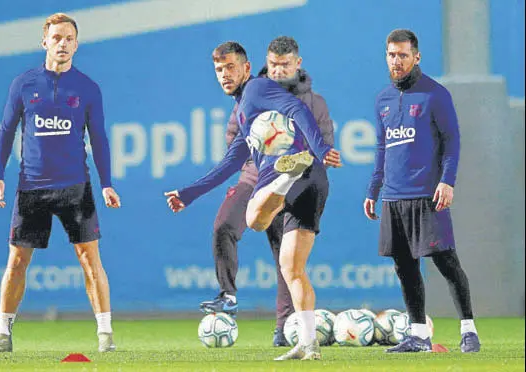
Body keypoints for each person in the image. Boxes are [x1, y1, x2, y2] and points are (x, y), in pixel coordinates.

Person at [165, 41, 341, 361]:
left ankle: (285, 178)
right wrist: (188, 194)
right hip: (314, 180)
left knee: (253, 220)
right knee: (292, 267)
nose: (224, 75)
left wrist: (318, 146)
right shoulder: (247, 110)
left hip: (288, 174)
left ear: (247, 68)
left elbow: (298, 109)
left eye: (231, 67)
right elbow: (230, 164)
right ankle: (308, 344)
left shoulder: (257, 89)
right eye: (219, 70)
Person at [0, 13, 121, 354]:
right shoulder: (24, 84)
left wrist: (106, 183)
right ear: (44, 42)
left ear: (77, 43)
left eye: (69, 38)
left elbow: (99, 138)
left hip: (76, 186)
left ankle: (105, 335)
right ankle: (3, 334)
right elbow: (5, 131)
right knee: (16, 262)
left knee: (90, 260)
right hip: (31, 186)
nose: (62, 43)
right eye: (56, 38)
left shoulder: (87, 88)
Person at [364, 29, 481, 353]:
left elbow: (452, 142)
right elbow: (381, 149)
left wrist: (447, 181)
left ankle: (468, 330)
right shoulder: (383, 100)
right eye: (391, 55)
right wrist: (373, 190)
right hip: (394, 197)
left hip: (427, 195)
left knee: (446, 262)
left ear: (416, 57)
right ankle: (418, 334)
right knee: (404, 266)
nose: (396, 61)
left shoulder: (435, 94)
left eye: (403, 55)